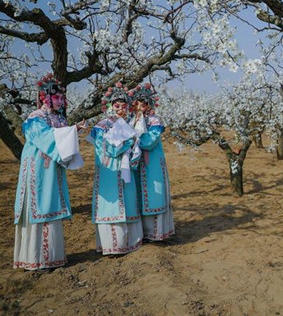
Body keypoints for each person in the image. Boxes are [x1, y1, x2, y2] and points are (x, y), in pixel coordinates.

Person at [13, 73, 84, 271]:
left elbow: (60, 138)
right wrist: (71, 131)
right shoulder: (35, 118)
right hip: (38, 170)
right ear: (45, 98)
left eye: (62, 97)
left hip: (52, 169)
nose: (60, 101)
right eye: (56, 97)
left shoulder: (57, 118)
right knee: (41, 205)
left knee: (52, 204)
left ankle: (52, 257)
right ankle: (36, 259)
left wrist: (72, 131)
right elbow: (46, 138)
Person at [88, 82, 143, 255]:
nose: (120, 109)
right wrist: (126, 142)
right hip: (109, 170)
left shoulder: (129, 124)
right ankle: (113, 245)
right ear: (109, 106)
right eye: (116, 106)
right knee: (112, 205)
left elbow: (135, 145)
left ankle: (130, 242)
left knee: (128, 201)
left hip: (125, 169)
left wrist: (134, 146)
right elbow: (105, 149)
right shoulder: (102, 125)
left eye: (124, 106)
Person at [129, 83, 174, 241]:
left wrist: (132, 139)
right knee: (137, 194)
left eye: (144, 103)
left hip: (151, 162)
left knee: (154, 191)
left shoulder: (155, 120)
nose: (141, 106)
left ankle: (156, 233)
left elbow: (150, 141)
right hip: (136, 163)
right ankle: (140, 233)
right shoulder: (131, 119)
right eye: (138, 103)